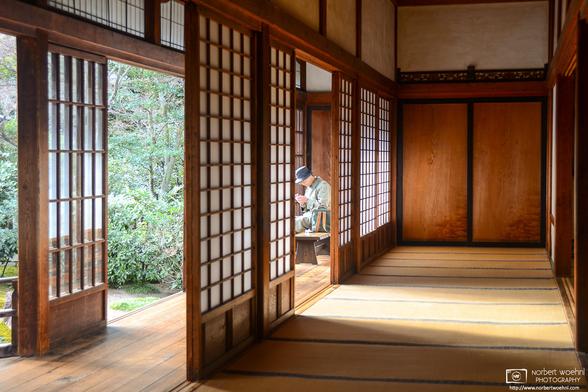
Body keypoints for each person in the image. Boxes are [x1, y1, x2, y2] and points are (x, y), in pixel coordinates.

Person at [294, 166, 331, 233]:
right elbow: (306, 209)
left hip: (321, 218)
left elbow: (323, 207)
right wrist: (302, 203)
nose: (302, 183)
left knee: (294, 223)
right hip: (311, 216)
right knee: (289, 221)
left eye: (303, 181)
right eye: (300, 182)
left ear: (310, 176)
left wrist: (307, 201)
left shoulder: (323, 185)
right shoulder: (309, 188)